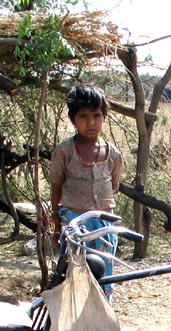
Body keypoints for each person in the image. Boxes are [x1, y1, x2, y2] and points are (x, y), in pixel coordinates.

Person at [50, 84, 124, 299]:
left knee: (103, 273)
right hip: (74, 224)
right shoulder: (64, 151)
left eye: (96, 115)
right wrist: (56, 224)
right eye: (83, 116)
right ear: (73, 119)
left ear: (104, 117)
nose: (91, 122)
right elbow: (56, 186)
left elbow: (114, 185)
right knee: (75, 271)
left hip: (104, 228)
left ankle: (101, 315)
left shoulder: (113, 154)